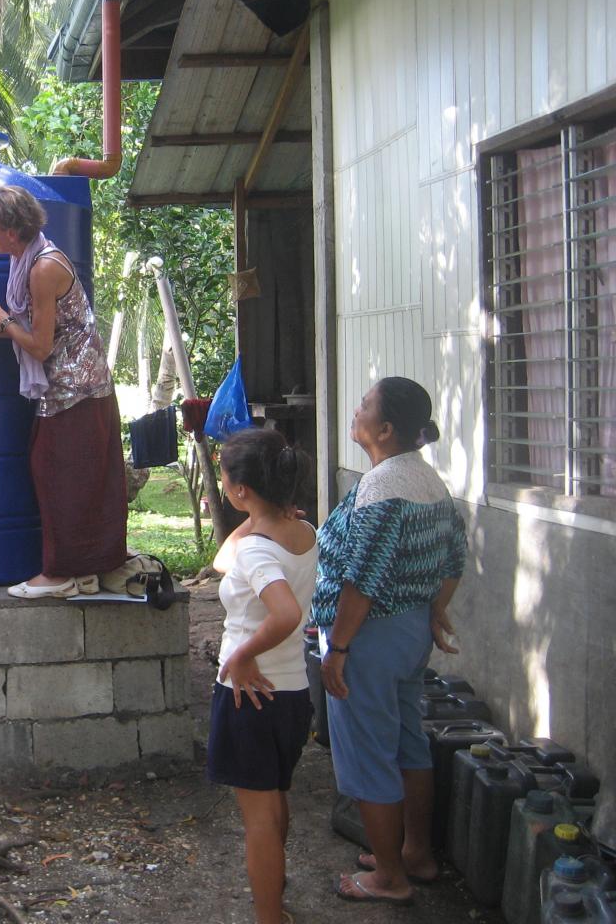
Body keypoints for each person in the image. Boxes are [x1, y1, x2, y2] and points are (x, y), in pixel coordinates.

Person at [316, 377, 466, 906]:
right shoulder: (428, 481)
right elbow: (455, 560)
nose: (354, 409)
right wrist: (436, 609)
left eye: (363, 405)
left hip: (370, 637)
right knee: (407, 742)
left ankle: (389, 878)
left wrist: (338, 649)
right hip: (408, 631)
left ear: (383, 429)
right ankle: (414, 853)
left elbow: (362, 579)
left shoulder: (384, 488)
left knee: (367, 753)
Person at [0, 184, 126, 598]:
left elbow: (38, 344)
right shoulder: (27, 258)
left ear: (11, 231)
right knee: (68, 478)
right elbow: (16, 329)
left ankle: (62, 574)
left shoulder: (42, 268)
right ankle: (88, 570)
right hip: (68, 391)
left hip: (77, 391)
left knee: (61, 479)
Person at [208, 428, 316, 924]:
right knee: (274, 801)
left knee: (258, 821)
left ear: (239, 489)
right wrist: (257, 514)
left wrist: (246, 654)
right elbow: (221, 559)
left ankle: (269, 916)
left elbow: (286, 613)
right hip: (291, 692)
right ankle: (276, 896)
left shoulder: (257, 551)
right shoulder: (302, 532)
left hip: (248, 695)